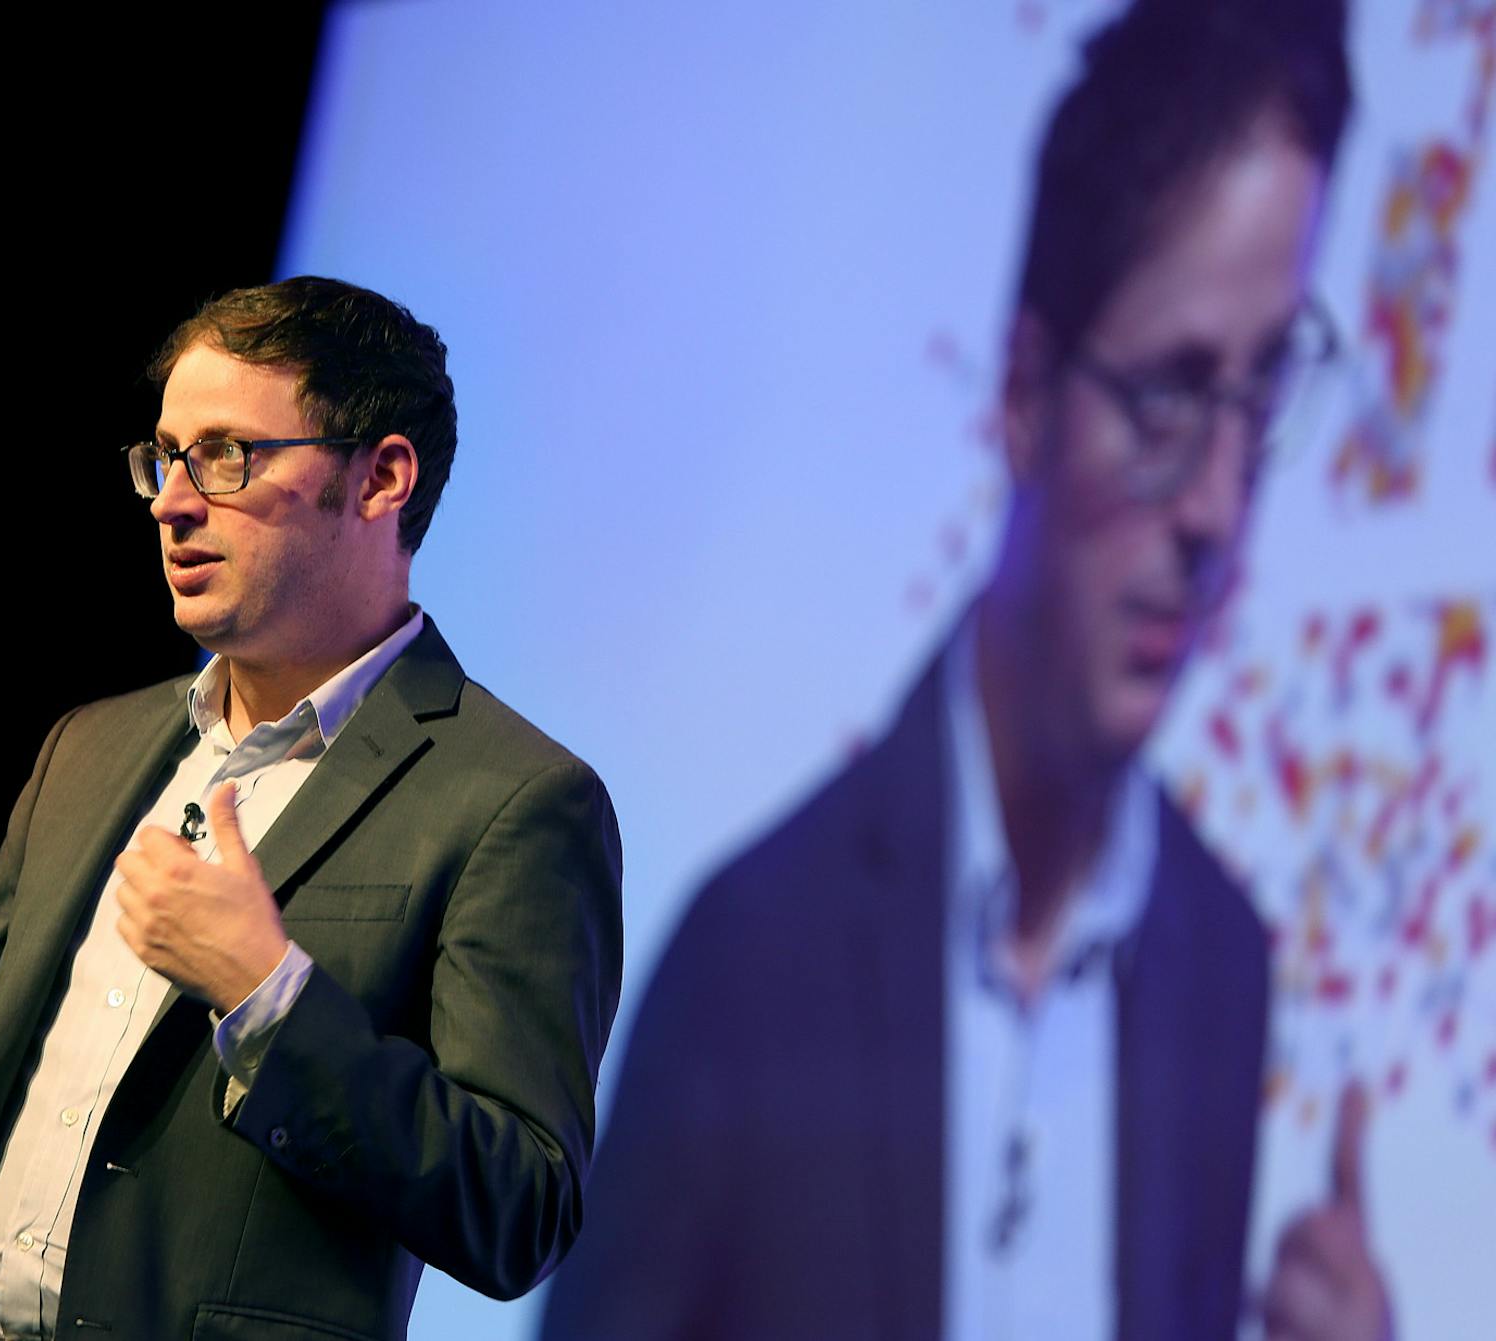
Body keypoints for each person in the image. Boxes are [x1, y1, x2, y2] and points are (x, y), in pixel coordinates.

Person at [541, 2, 1388, 1339]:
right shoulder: (752, 970)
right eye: (1169, 394)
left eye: (1264, 391)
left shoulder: (1221, 967)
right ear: (1025, 393)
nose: (1219, 506)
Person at [0, 276, 624, 1341]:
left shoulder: (512, 800)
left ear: (380, 478)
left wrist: (268, 995)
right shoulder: (91, 750)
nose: (171, 503)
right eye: (165, 457)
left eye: (227, 456)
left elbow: (520, 1208)